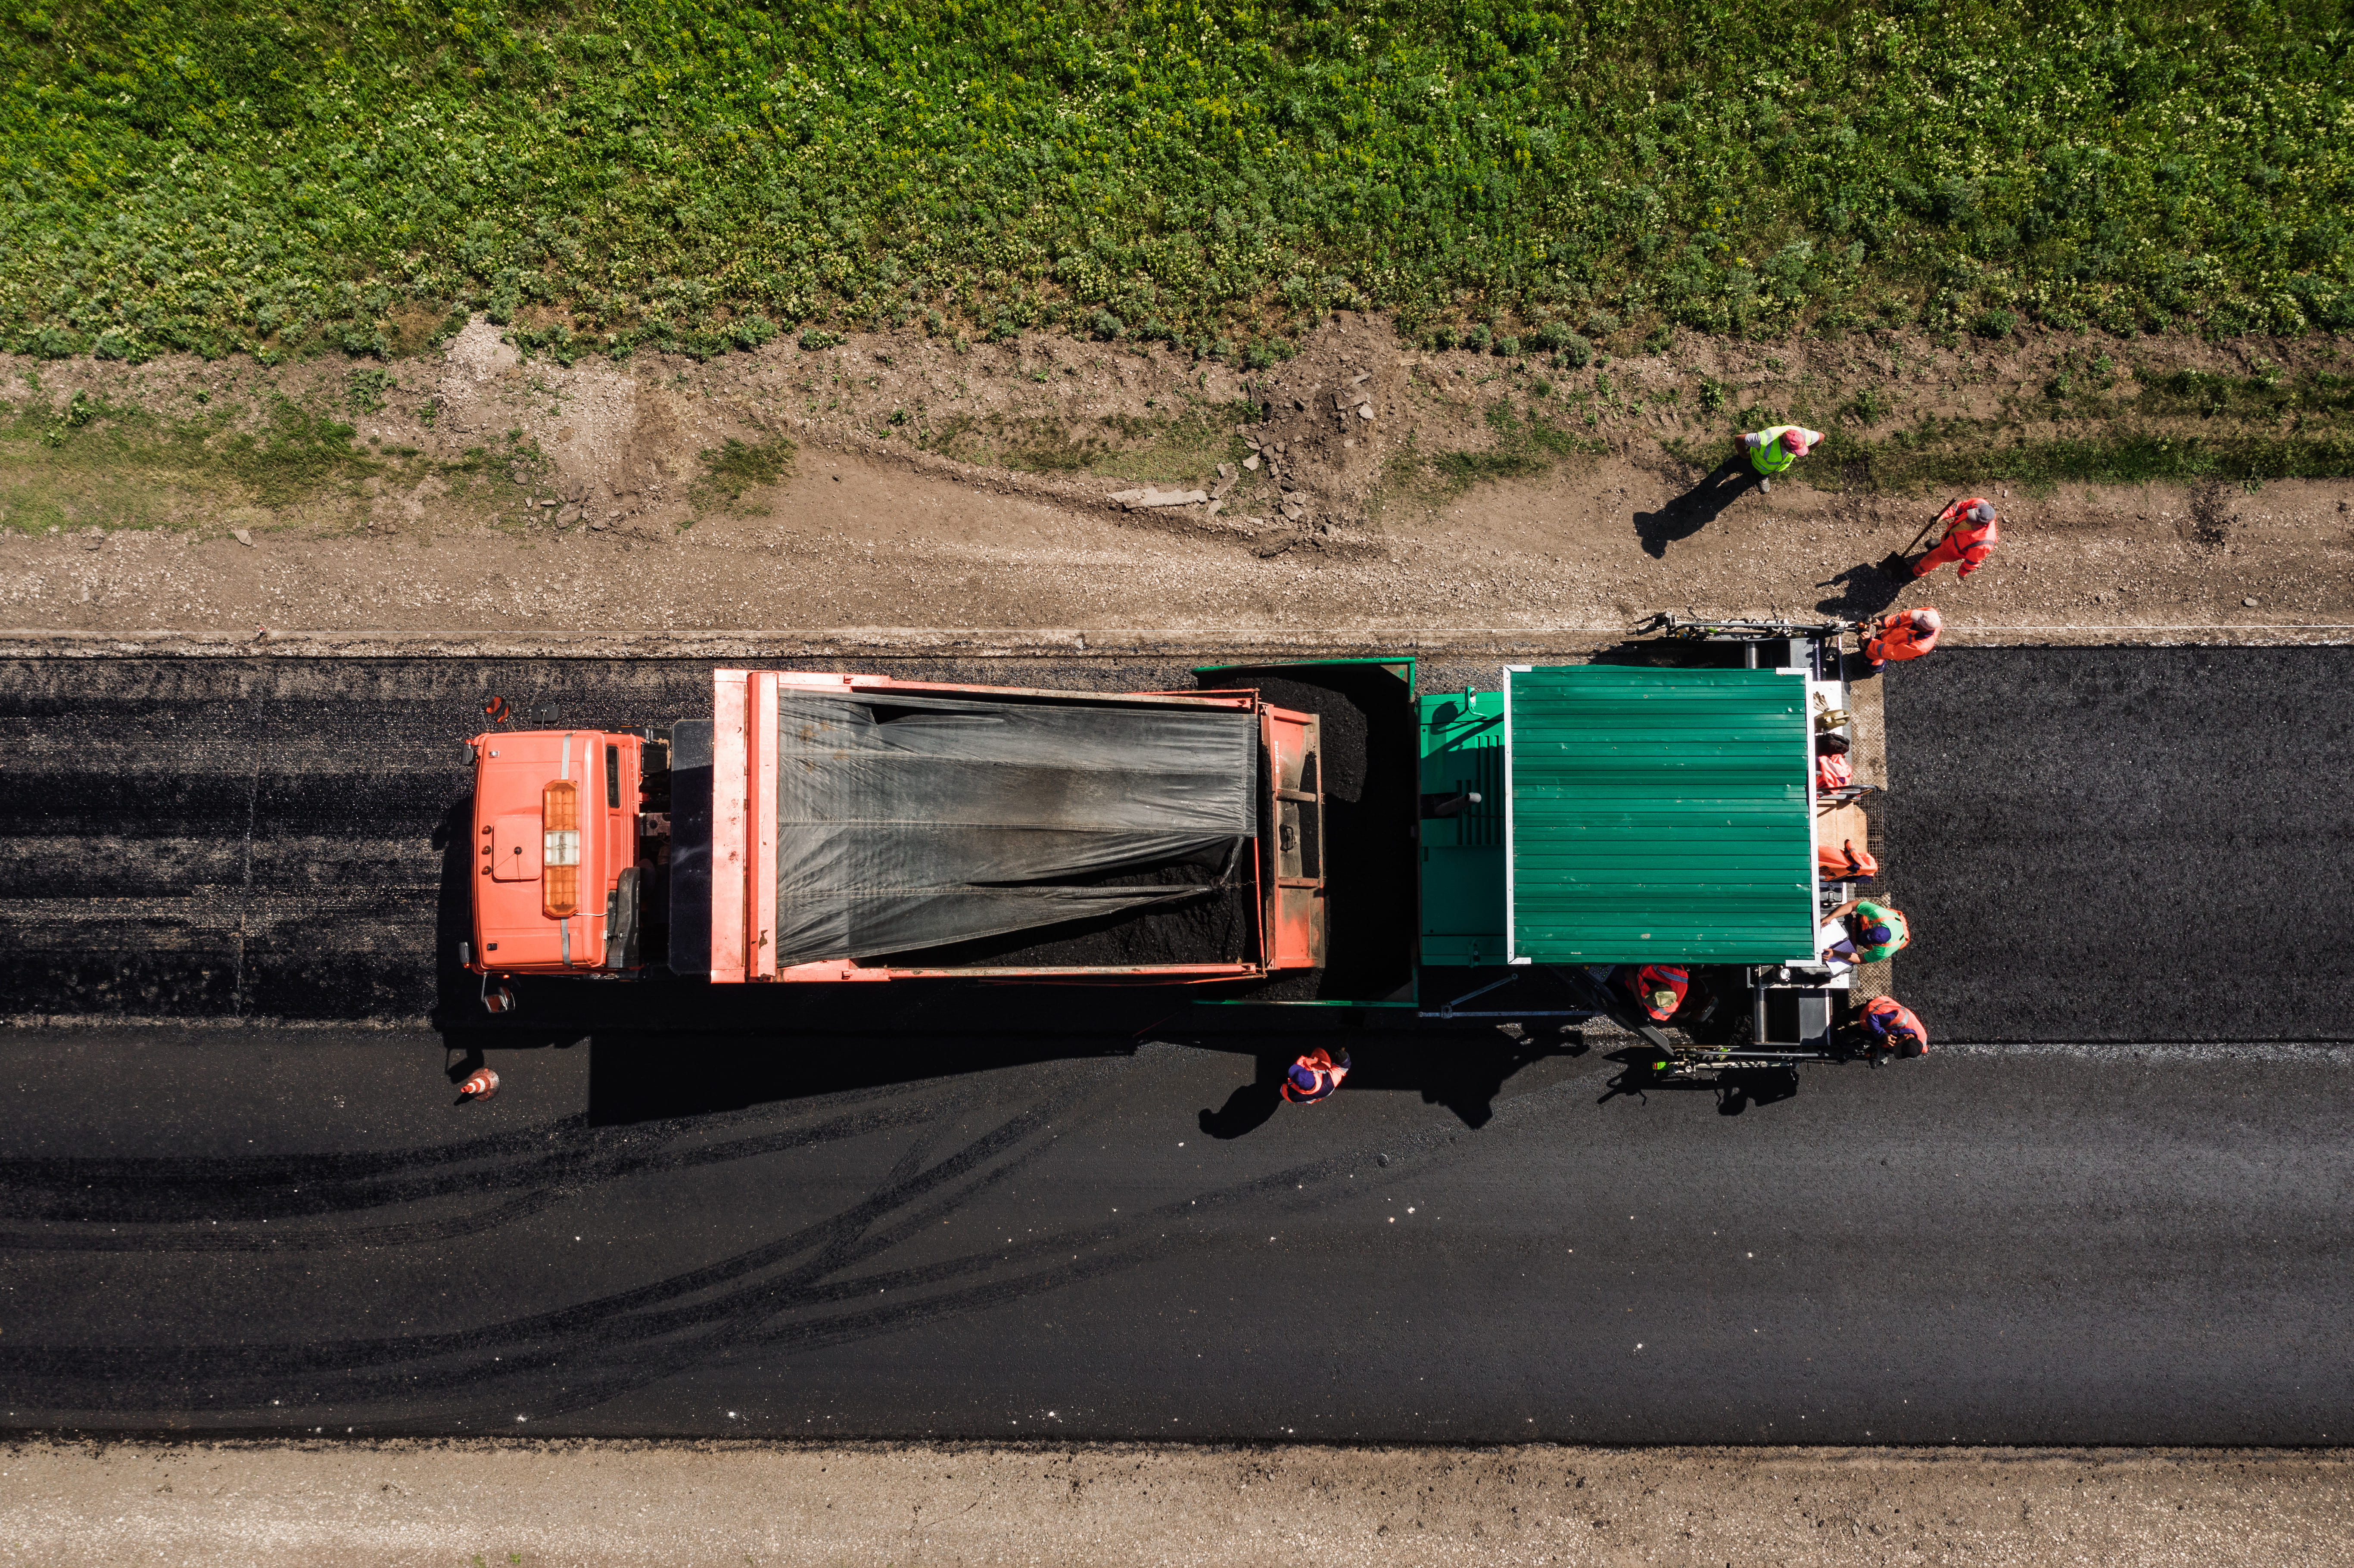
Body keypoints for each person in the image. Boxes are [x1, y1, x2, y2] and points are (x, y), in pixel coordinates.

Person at [1912, 498, 2000, 582]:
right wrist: (1942, 516)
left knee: (1931, 559)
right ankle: (1940, 545)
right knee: (1941, 543)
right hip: (1949, 536)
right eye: (1970, 515)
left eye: (1972, 520)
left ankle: (1916, 573)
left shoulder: (1984, 543)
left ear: (1982, 525)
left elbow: (1972, 562)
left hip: (1951, 552)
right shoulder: (1979, 503)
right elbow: (1959, 508)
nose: (1968, 519)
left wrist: (1962, 573)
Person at [1735, 424, 1823, 491]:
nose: (1797, 454)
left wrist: (1806, 450)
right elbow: (1739, 439)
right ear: (1784, 445)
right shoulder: (1763, 440)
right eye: (1794, 452)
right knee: (1735, 465)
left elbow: (1821, 437)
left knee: (1764, 473)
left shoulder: (1804, 436)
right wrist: (1744, 455)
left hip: (1770, 468)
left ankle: (1763, 476)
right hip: (1756, 462)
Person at [1826, 897, 1908, 962]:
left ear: (1879, 945)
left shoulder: (1884, 951)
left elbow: (1861, 959)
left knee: (1859, 940)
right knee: (1863, 919)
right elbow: (1853, 905)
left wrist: (1835, 953)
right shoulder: (1879, 914)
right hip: (1892, 920)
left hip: (1899, 937)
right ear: (1877, 925)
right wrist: (1830, 918)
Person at [1861, 606, 1941, 671]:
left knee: (1870, 655)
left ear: (1923, 629)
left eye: (1916, 622)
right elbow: (1902, 617)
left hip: (1893, 648)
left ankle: (1876, 667)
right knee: (1882, 636)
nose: (1913, 619)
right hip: (1895, 633)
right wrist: (1883, 624)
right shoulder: (1930, 613)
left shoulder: (1920, 647)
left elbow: (1894, 652)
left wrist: (1870, 642)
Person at [1859, 995, 1929, 1058]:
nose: (1895, 1046)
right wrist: (1883, 1035)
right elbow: (1871, 1018)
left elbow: (1923, 1050)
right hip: (1875, 1008)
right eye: (1897, 1046)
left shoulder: (1919, 1046)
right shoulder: (1899, 1019)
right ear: (1905, 1037)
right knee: (1854, 1028)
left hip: (1885, 1025)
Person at [1281, 1045, 1350, 1105]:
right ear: (1311, 1074)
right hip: (1322, 1092)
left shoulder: (1293, 1096)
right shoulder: (1330, 1082)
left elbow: (1283, 1090)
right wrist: (1344, 1059)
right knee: (1320, 1052)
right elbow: (1343, 1069)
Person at [1623, 962, 1690, 1023]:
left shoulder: (1658, 1013)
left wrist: (1633, 982)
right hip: (1644, 963)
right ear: (1662, 986)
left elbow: (1644, 1011)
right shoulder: (1676, 972)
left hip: (1634, 979)